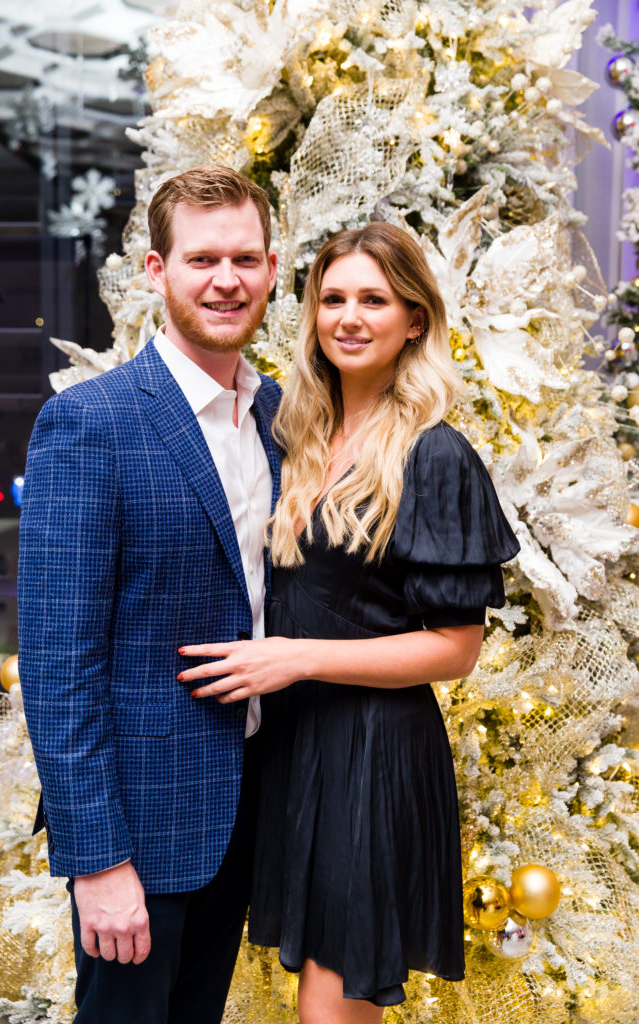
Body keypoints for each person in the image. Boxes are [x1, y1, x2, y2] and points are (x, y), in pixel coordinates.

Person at [177, 222, 521, 1024]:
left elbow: (455, 650)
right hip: (296, 747)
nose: (349, 318)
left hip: (373, 753)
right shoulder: (294, 435)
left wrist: (296, 658)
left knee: (329, 1008)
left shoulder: (434, 455)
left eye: (374, 300)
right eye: (332, 299)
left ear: (414, 320)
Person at [17, 165, 282, 1024]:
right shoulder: (90, 423)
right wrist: (96, 862)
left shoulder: (279, 416)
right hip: (136, 831)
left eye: (244, 258)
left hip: (244, 811)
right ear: (157, 272)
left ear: (272, 270)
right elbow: (58, 662)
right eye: (202, 259)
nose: (226, 280)